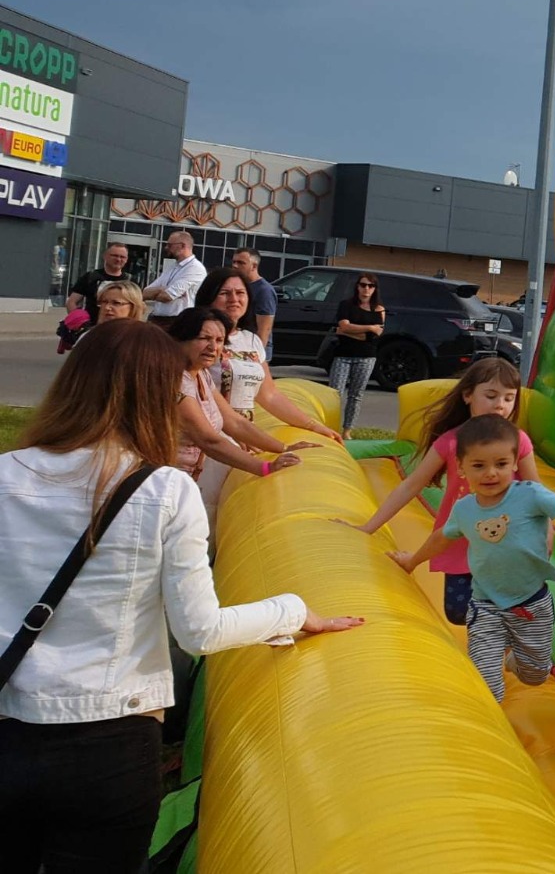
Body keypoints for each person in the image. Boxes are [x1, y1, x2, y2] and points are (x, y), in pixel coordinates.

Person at [0, 320, 362, 873]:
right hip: (109, 740)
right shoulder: (164, 489)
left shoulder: (5, 474)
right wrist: (291, 610)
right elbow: (199, 631)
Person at [391, 415, 555, 701]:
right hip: (485, 604)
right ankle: (488, 715)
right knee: (487, 678)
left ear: (515, 464)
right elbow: (441, 538)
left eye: (501, 464)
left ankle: (514, 657)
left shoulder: (531, 496)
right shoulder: (464, 509)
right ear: (461, 468)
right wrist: (412, 561)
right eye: (479, 466)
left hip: (532, 604)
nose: (491, 473)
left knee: (536, 673)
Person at [345, 358, 538, 625]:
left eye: (509, 398)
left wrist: (545, 531)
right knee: (457, 611)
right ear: (468, 395)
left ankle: (505, 639)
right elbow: (412, 485)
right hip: (460, 540)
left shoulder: (518, 441)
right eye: (491, 396)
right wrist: (369, 527)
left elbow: (534, 490)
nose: (500, 405)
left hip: (506, 540)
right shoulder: (451, 442)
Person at [166, 308, 307, 523]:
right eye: (204, 338)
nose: (213, 347)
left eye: (220, 340)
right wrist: (265, 467)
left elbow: (235, 422)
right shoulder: (174, 380)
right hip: (165, 484)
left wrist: (284, 448)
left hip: (187, 481)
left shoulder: (201, 374)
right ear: (179, 339)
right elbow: (208, 440)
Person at [194, 268, 342, 445]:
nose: (234, 299)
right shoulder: (196, 339)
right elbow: (195, 393)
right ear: (208, 299)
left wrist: (312, 426)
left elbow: (269, 395)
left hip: (242, 435)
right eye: (225, 293)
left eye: (240, 293)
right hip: (210, 436)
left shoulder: (251, 341)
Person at [329, 273, 387, 439]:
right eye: (363, 285)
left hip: (366, 357)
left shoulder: (379, 310)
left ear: (375, 289)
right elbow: (343, 326)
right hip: (343, 355)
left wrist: (349, 331)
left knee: (356, 395)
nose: (366, 289)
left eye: (370, 286)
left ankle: (347, 430)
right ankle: (330, 426)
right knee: (334, 393)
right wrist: (369, 328)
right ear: (357, 286)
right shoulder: (346, 305)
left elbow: (374, 336)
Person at [142, 230, 208, 323]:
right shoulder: (172, 267)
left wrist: (163, 292)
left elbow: (167, 296)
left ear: (182, 246)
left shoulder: (195, 268)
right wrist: (162, 290)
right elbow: (145, 292)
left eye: (170, 245)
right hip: (156, 319)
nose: (166, 248)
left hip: (176, 321)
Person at [228, 248, 278, 360]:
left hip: (254, 352)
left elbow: (264, 330)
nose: (235, 266)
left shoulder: (264, 291)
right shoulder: (239, 285)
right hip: (239, 348)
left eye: (241, 263)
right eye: (234, 262)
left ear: (254, 266)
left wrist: (256, 356)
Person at [66, 242, 130, 324]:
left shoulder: (130, 281)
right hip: (92, 328)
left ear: (126, 259)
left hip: (121, 328)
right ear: (105, 256)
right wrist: (79, 323)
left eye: (122, 257)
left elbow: (139, 306)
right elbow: (71, 302)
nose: (118, 259)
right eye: (114, 255)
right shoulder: (90, 277)